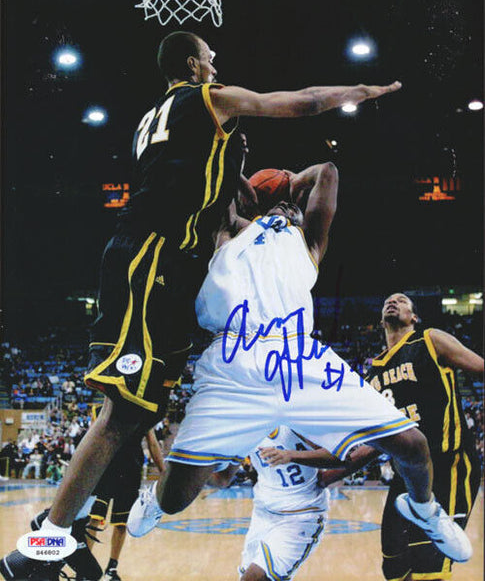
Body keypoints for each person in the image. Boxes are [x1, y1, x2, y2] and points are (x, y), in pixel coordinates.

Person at [0, 30, 401, 580]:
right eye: (210, 59)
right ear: (192, 65)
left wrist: (246, 176)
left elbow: (202, 184)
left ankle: (64, 525)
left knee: (141, 411)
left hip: (171, 270)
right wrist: (361, 91)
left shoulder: (157, 124)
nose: (216, 66)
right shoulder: (203, 99)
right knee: (124, 412)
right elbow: (301, 102)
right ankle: (46, 539)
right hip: (152, 258)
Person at [127, 161, 472, 566]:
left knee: (412, 445)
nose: (291, 207)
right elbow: (218, 182)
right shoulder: (228, 233)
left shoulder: (308, 242)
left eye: (293, 204)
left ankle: (424, 509)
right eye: (280, 200)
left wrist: (290, 186)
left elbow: (328, 172)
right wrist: (244, 178)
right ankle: (155, 498)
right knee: (174, 499)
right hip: (234, 359)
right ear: (250, 206)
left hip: (300, 355)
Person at [365, 293, 483, 581]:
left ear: (414, 317)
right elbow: (373, 442)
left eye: (402, 300)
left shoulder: (429, 340)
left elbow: (481, 367)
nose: (393, 302)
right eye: (388, 300)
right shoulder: (372, 374)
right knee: (394, 568)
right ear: (381, 321)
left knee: (428, 570)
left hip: (448, 466)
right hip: (404, 477)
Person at [214, 425, 332, 581]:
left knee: (254, 577)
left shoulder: (295, 424)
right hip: (263, 513)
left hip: (300, 514)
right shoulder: (246, 429)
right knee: (246, 575)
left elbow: (340, 456)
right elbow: (222, 480)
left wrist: (292, 455)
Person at [86, 406, 165, 581]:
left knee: (121, 523)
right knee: (94, 519)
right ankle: (85, 568)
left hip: (130, 471)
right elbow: (91, 441)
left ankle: (111, 569)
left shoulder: (145, 411)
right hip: (104, 469)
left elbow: (152, 443)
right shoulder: (100, 410)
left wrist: (164, 472)